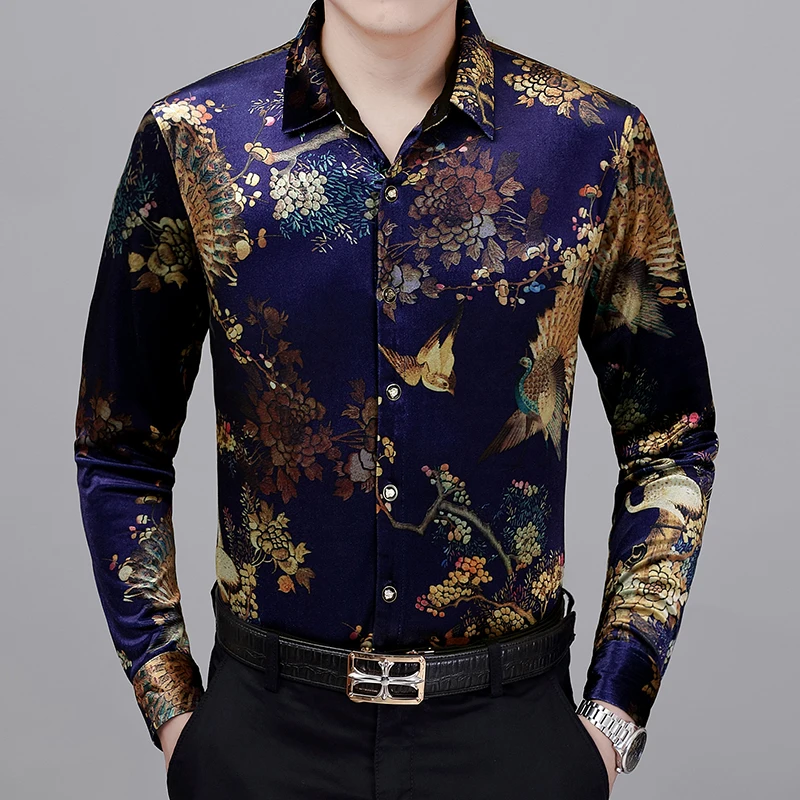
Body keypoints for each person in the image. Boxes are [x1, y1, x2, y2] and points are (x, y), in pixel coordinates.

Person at [73, 1, 719, 797]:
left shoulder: (594, 142)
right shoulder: (195, 138)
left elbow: (672, 439)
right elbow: (119, 446)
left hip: (512, 742)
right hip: (263, 741)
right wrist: (171, 702)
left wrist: (615, 711)